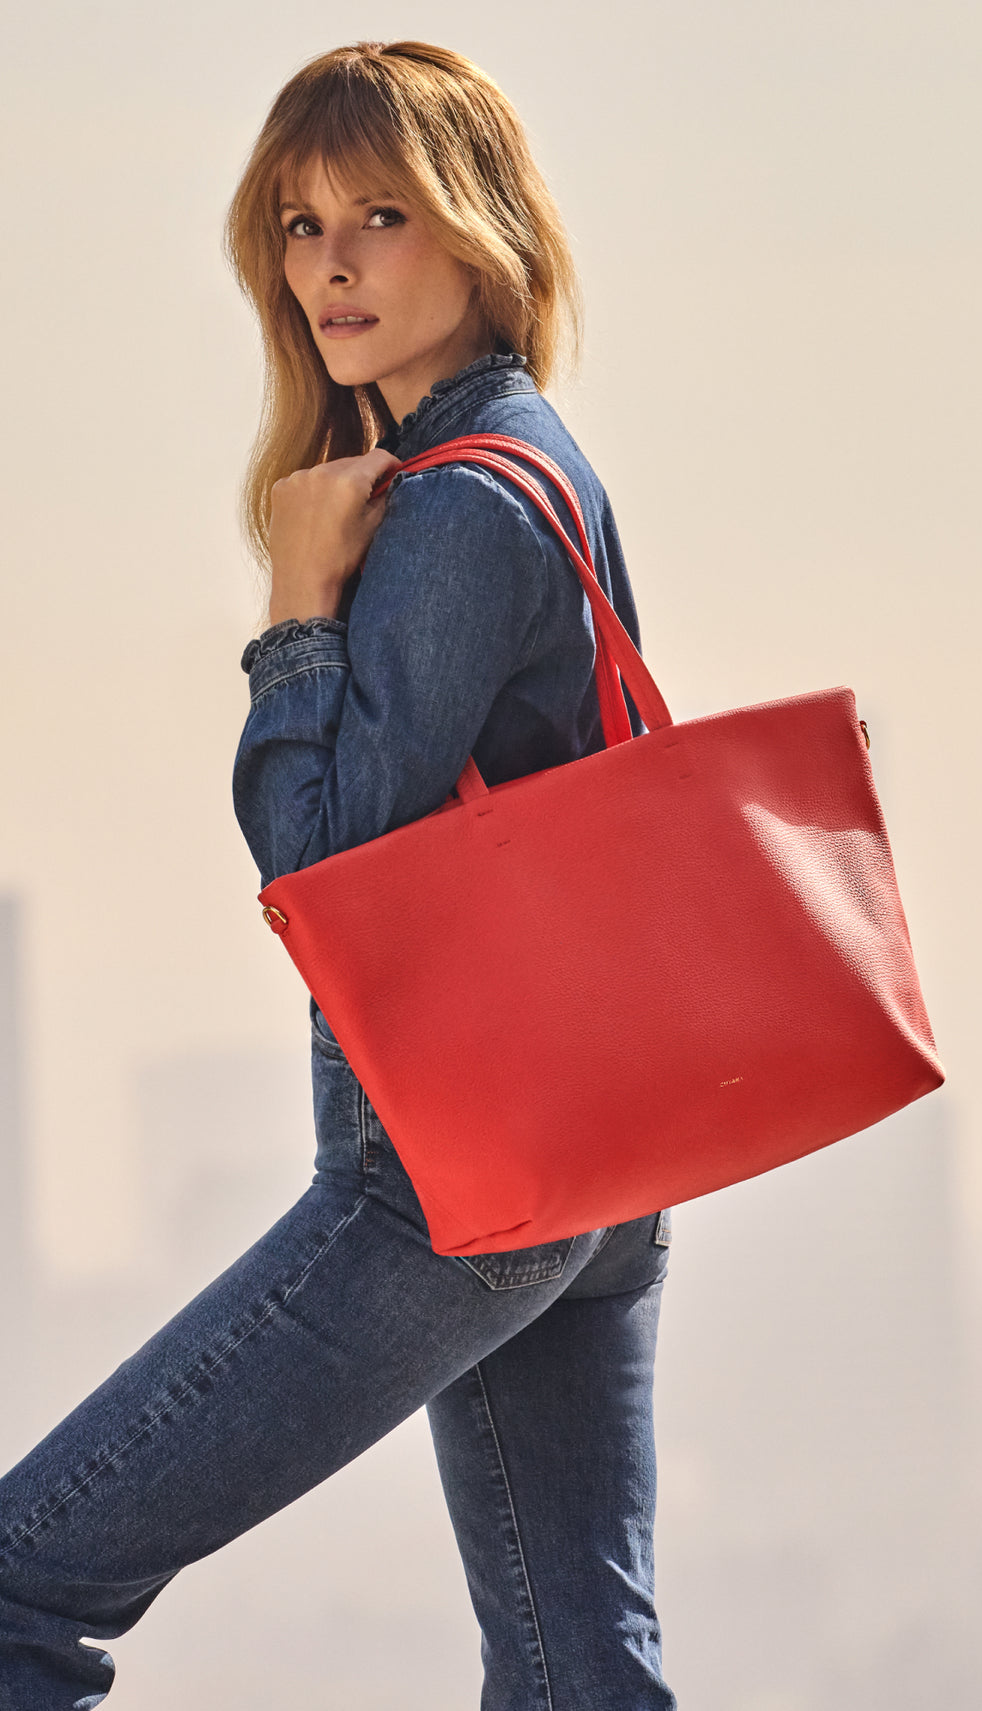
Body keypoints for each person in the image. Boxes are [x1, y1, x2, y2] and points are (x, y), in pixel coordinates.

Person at [0, 40, 676, 1710]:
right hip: (590, 1165)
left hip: (436, 1190)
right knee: (578, 1670)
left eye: (381, 213)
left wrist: (296, 609)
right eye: (300, 228)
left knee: (23, 1582)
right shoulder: (535, 460)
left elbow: (327, 882)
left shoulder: (458, 508)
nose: (334, 265)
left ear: (482, 231)